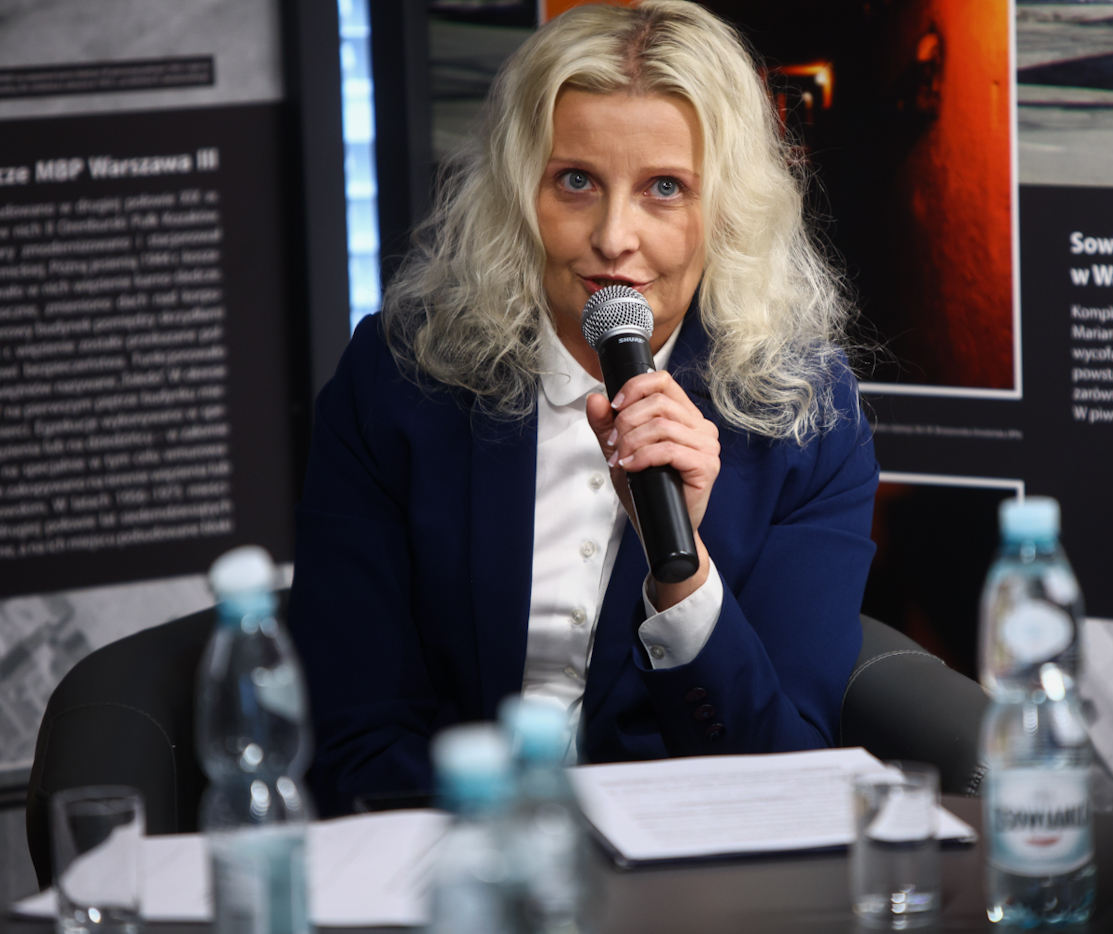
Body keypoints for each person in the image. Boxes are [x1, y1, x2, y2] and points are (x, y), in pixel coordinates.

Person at [289, 0, 879, 817]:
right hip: (455, 844)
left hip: (690, 852)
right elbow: (353, 738)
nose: (613, 237)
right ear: (518, 192)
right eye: (576, 181)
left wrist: (682, 574)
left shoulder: (809, 417)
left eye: (665, 188)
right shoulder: (394, 379)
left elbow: (785, 768)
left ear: (727, 211)